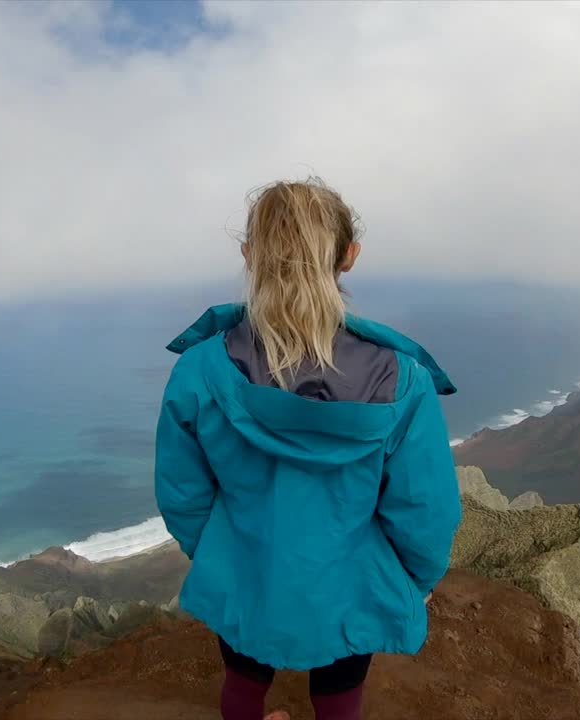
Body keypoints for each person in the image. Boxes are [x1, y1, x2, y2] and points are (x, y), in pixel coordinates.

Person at [154, 178, 461, 720]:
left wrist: (221, 556)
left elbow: (182, 492)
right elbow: (425, 506)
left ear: (250, 256)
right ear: (349, 256)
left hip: (244, 570)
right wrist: (417, 580)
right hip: (353, 582)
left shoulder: (199, 369)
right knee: (340, 697)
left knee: (243, 684)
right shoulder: (404, 379)